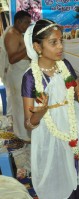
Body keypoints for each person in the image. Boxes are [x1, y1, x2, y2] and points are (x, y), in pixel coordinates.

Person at [22, 19, 79, 199]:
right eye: (53, 42)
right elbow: (29, 123)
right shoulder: (30, 77)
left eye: (61, 41)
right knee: (59, 176)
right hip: (50, 133)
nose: (60, 46)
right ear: (37, 47)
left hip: (73, 126)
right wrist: (41, 112)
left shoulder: (65, 66)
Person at [4, 10, 31, 141]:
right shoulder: (11, 35)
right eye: (26, 23)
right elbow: (12, 59)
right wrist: (28, 48)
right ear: (18, 21)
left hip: (23, 72)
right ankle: (22, 135)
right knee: (20, 105)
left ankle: (26, 133)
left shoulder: (19, 33)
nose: (27, 26)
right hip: (17, 73)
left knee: (25, 104)